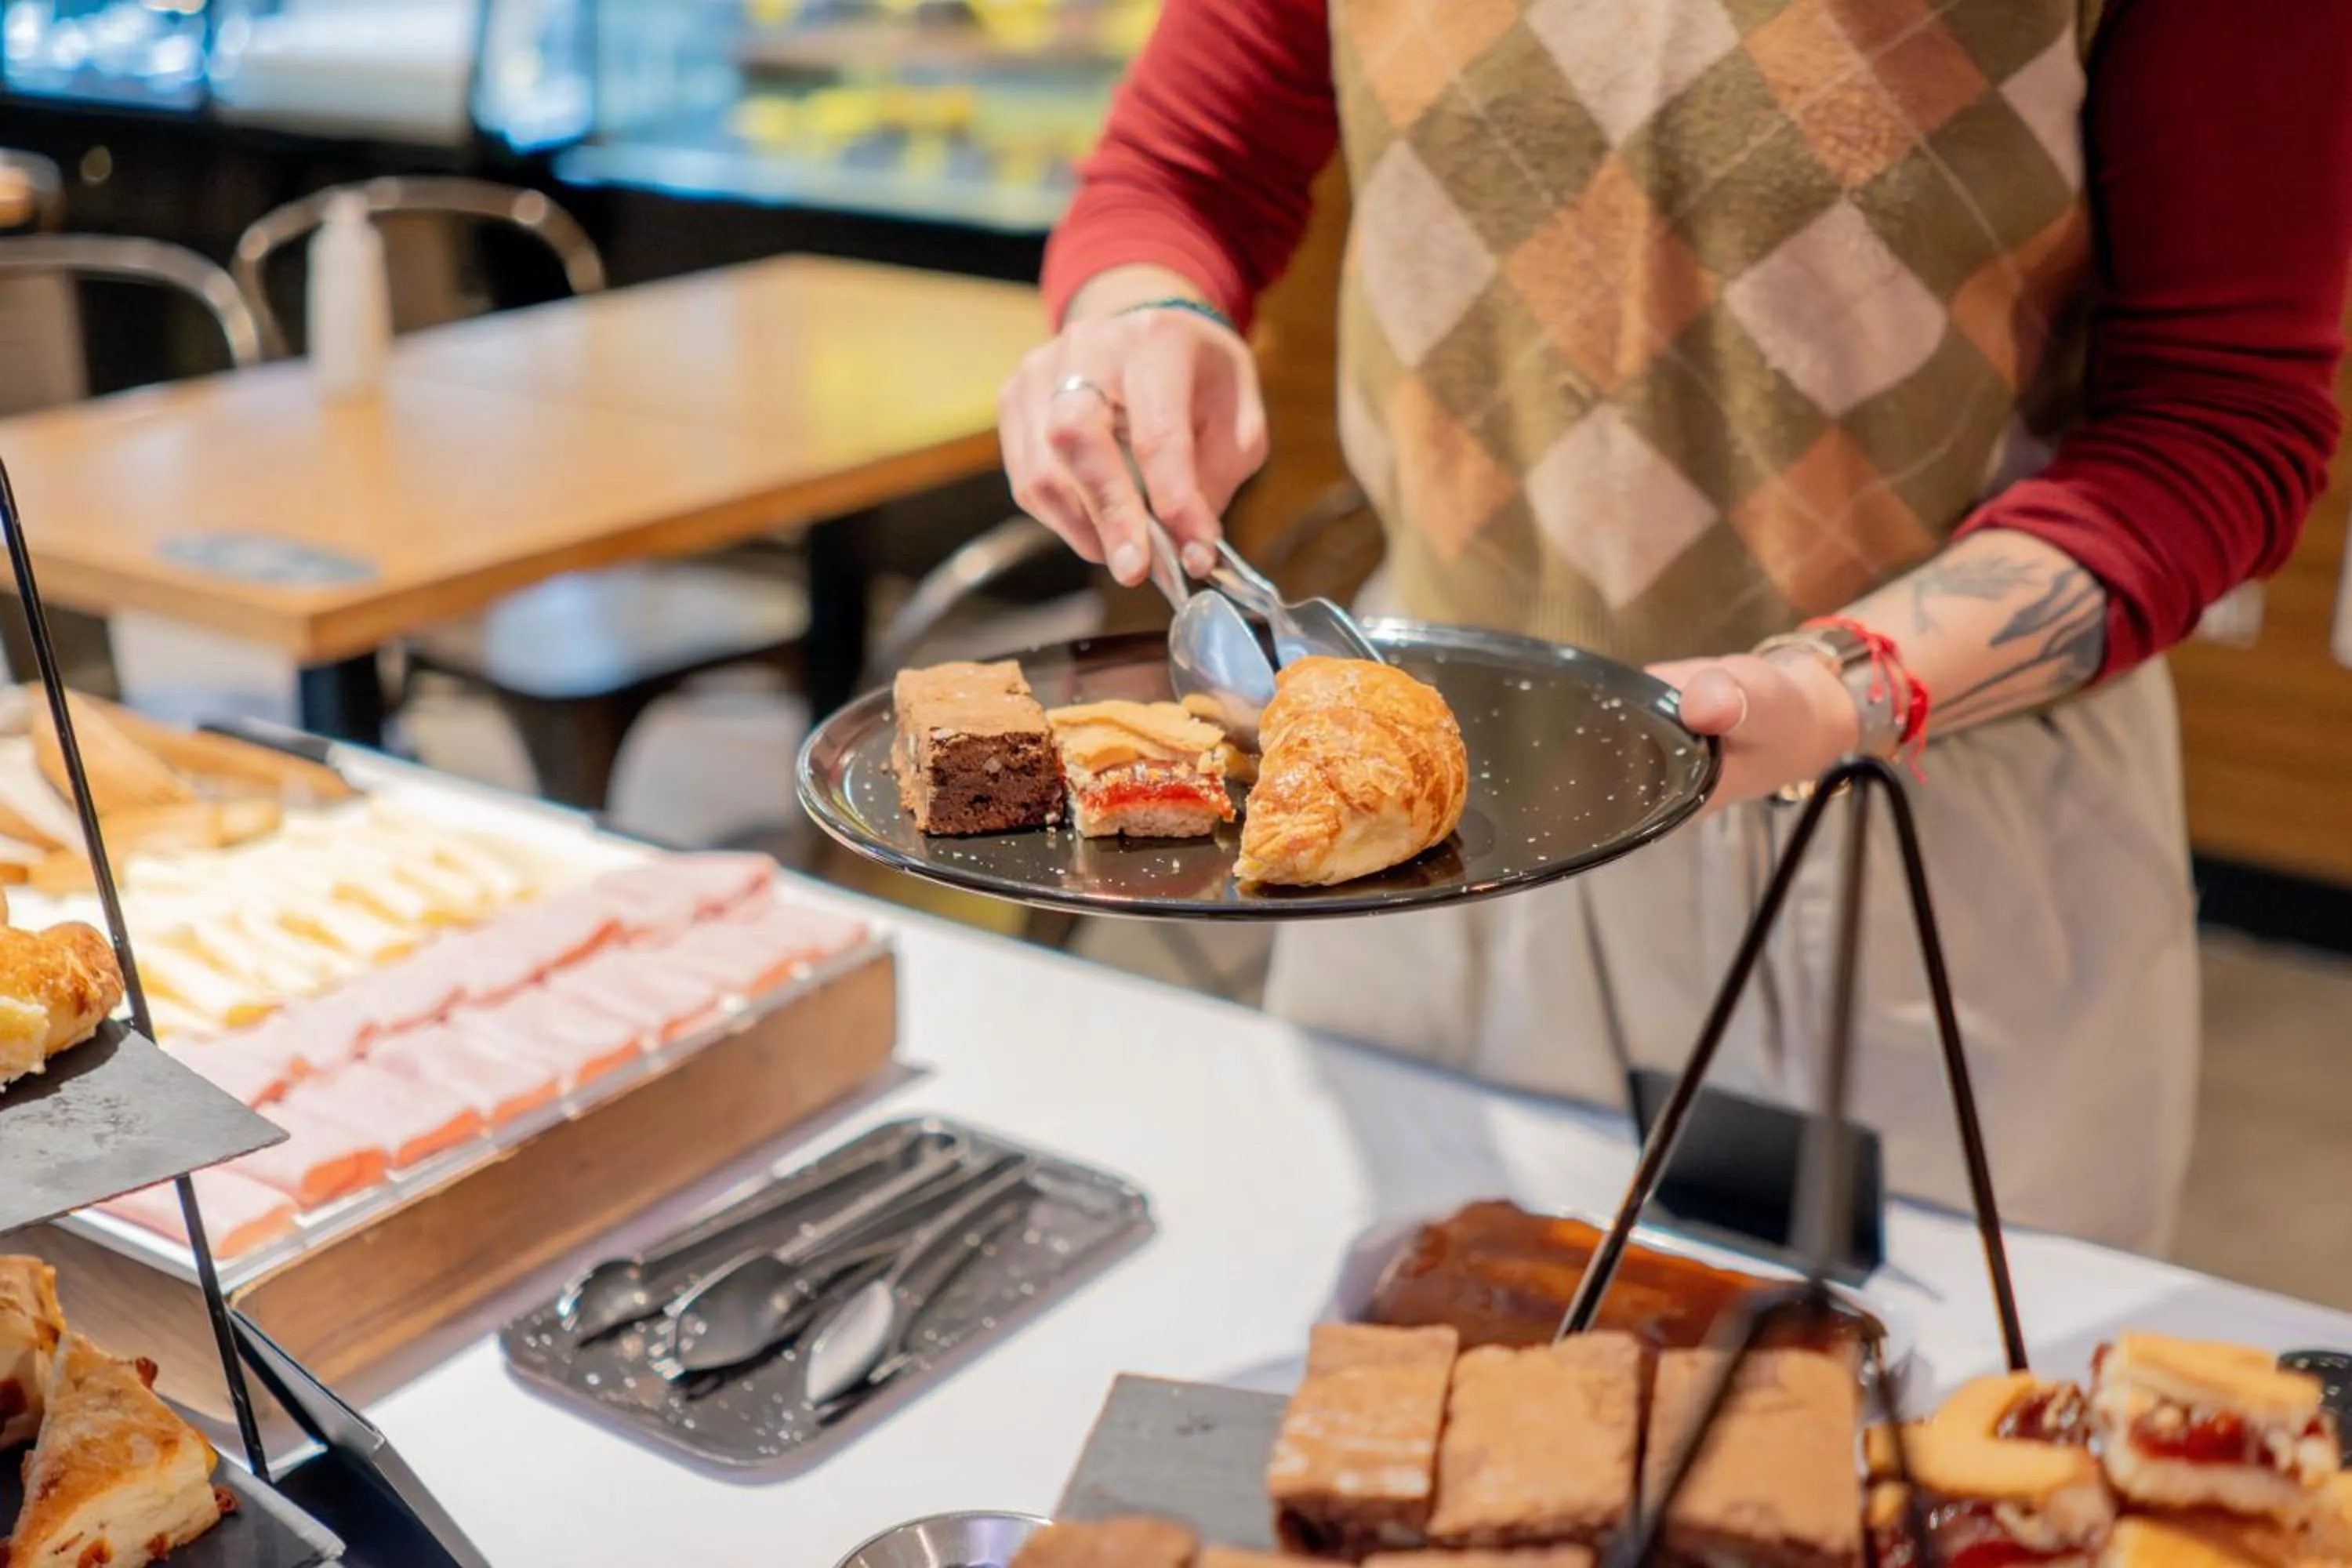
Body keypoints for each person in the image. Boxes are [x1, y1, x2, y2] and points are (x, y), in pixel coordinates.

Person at [998, 0, 2352, 1254]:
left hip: (1907, 821)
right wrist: (1144, 321)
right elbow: (1180, 175)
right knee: (1385, 1409)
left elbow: (2219, 414)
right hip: (1429, 810)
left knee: (1889, 1464)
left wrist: (1840, 690)